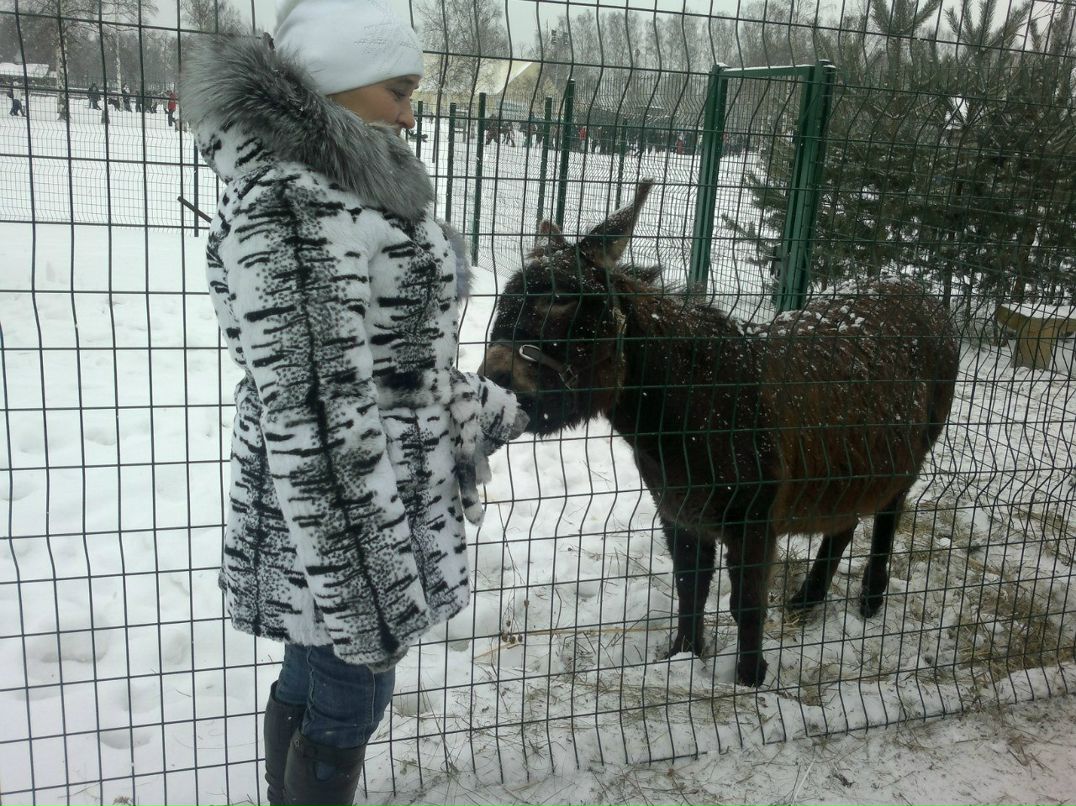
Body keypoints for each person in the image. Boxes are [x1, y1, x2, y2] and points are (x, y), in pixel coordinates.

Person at [178, 1, 525, 804]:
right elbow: (317, 412)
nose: (410, 111)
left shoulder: (348, 187)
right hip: (343, 519)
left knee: (313, 668)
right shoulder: (298, 204)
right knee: (349, 694)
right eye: (397, 90)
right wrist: (364, 582)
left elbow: (394, 365)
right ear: (337, 84)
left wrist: (486, 409)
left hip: (373, 501)